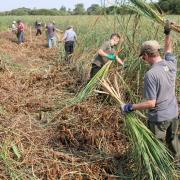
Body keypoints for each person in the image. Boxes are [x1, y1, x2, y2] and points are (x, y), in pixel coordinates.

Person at [121, 21, 180, 160]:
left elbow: (151, 103)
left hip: (159, 119)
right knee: (173, 142)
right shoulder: (170, 64)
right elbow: (169, 49)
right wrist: (168, 33)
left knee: (157, 147)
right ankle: (177, 164)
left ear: (147, 55)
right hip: (173, 114)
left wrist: (129, 107)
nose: (143, 59)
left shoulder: (151, 74)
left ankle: (161, 169)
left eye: (143, 56)